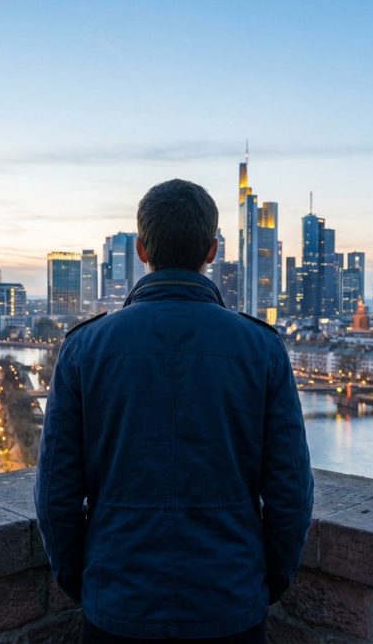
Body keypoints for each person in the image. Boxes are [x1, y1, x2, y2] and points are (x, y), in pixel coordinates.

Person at [35, 179, 313, 643]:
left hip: (117, 604)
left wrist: (86, 585)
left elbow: (55, 496)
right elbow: (290, 493)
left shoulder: (84, 348)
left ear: (141, 249)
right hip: (229, 603)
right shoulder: (262, 348)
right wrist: (265, 583)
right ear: (212, 250)